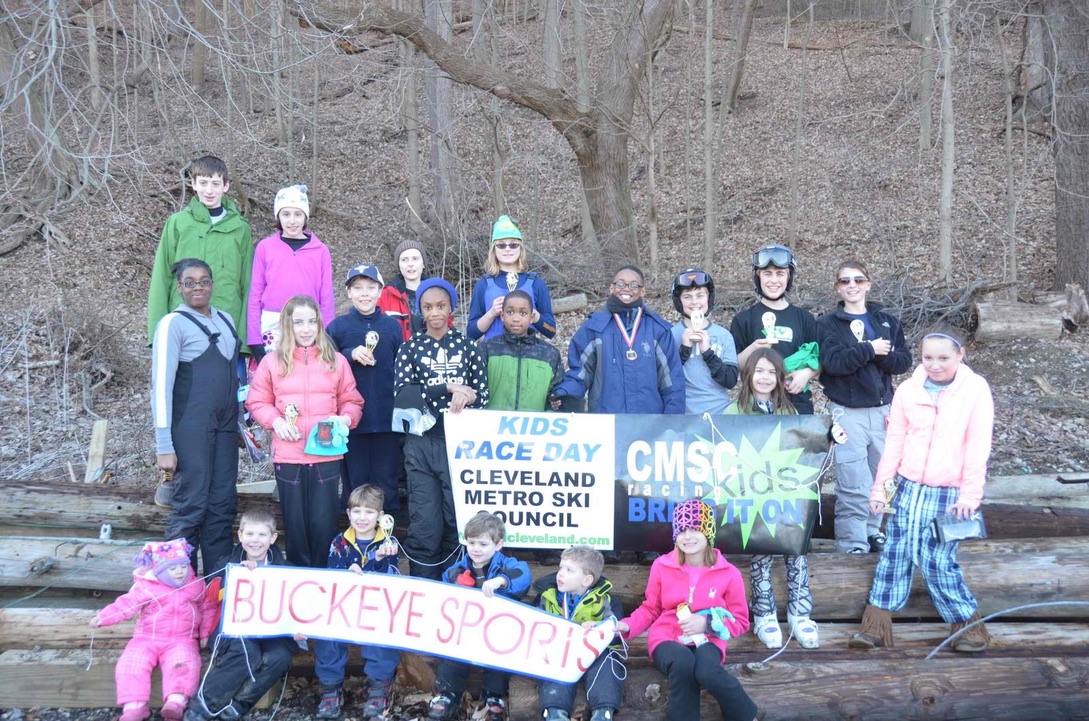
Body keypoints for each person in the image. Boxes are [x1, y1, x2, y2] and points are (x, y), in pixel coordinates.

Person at [850, 330, 994, 653]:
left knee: (937, 559)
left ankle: (969, 627)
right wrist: (881, 491)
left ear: (961, 354)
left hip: (948, 493)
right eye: (928, 357)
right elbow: (894, 444)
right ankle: (875, 627)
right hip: (907, 489)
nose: (935, 365)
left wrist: (970, 496)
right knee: (894, 554)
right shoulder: (908, 390)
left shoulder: (975, 390)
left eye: (943, 358)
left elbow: (977, 445)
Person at [552, 264, 684, 564]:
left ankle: (646, 544)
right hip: (606, 422)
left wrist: (673, 421)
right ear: (611, 288)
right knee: (609, 484)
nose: (627, 289)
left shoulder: (657, 329)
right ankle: (608, 541)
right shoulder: (594, 328)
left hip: (649, 423)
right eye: (620, 283)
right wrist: (562, 393)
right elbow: (579, 372)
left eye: (633, 284)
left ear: (643, 291)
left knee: (646, 485)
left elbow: (671, 382)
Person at [246, 295, 364, 567]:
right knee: (295, 528)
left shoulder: (336, 361)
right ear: (288, 325)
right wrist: (276, 422)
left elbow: (352, 401)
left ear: (320, 324)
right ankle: (298, 581)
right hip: (289, 458)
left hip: (327, 456)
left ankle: (325, 579)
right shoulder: (272, 362)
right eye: (298, 322)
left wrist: (346, 419)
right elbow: (257, 401)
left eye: (312, 322)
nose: (306, 329)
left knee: (324, 525)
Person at [616, 500, 757, 721]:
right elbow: (651, 608)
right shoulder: (662, 566)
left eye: (695, 529)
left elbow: (740, 621)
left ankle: (745, 716)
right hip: (667, 638)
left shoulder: (729, 573)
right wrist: (627, 625)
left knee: (707, 671)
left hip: (708, 640)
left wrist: (707, 624)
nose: (688, 536)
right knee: (683, 663)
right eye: (682, 530)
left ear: (708, 531)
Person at [394, 278, 489, 580]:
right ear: (420, 310)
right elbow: (402, 396)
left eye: (440, 306)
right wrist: (447, 387)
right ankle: (424, 587)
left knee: (456, 517)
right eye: (427, 307)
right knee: (425, 520)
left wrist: (469, 395)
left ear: (451, 308)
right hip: (421, 442)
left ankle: (455, 584)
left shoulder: (468, 347)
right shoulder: (409, 348)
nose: (434, 312)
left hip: (459, 444)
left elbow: (484, 395)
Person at [726, 349, 820, 649]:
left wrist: (830, 435)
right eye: (759, 371)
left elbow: (803, 444)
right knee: (762, 551)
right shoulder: (734, 411)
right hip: (752, 495)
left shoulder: (787, 410)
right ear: (748, 375)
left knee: (796, 547)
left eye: (771, 372)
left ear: (779, 377)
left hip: (785, 493)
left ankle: (800, 612)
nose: (765, 378)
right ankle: (764, 613)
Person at [817, 261, 912, 554]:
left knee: (882, 477)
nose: (852, 285)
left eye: (858, 280)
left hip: (884, 411)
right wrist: (869, 349)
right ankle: (852, 543)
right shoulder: (828, 324)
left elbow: (903, 362)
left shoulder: (886, 321)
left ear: (868, 284)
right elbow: (833, 364)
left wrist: (880, 355)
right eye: (845, 281)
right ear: (838, 288)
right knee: (853, 482)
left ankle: (873, 531)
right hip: (848, 412)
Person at [151, 258, 240, 571]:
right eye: (190, 282)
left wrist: (242, 424)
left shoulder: (226, 320)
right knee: (190, 505)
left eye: (204, 281)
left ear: (212, 285)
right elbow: (160, 387)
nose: (197, 287)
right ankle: (177, 589)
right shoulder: (172, 324)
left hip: (226, 427)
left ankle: (217, 585)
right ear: (180, 287)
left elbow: (234, 378)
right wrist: (164, 444)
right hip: (190, 427)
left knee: (222, 505)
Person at [185, 510, 297, 721]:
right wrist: (239, 577)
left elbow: (295, 605)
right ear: (240, 535)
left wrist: (297, 628)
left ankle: (236, 707)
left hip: (271, 633)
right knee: (248, 653)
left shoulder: (286, 569)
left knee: (280, 657)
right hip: (232, 630)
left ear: (273, 538)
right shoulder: (226, 564)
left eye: (262, 535)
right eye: (250, 534)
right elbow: (211, 596)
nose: (256, 540)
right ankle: (201, 708)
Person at [90, 539, 218, 721]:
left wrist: (205, 633)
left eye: (183, 566)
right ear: (160, 570)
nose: (179, 572)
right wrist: (104, 617)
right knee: (132, 664)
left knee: (184, 663)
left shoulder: (195, 585)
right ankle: (134, 706)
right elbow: (127, 604)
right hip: (146, 638)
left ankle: (176, 702)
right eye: (173, 568)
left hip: (182, 639)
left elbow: (207, 608)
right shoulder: (147, 586)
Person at [427, 512, 531, 721]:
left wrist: (501, 581)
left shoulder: (507, 565)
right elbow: (445, 586)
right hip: (467, 629)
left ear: (498, 544)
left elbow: (523, 575)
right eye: (471, 542)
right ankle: (448, 693)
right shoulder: (457, 569)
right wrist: (455, 585)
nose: (476, 549)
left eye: (483, 544)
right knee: (452, 648)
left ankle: (493, 695)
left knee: (500, 652)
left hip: (498, 629)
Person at [147, 155, 253, 349]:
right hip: (182, 324)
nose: (209, 190)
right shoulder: (178, 223)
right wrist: (157, 333)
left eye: (215, 184)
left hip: (227, 324)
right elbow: (161, 277)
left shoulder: (240, 228)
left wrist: (245, 341)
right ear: (194, 184)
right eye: (203, 183)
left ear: (226, 186)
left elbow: (247, 283)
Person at [314, 485, 402, 720]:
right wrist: (347, 573)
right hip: (344, 607)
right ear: (348, 513)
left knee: (381, 632)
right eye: (357, 511)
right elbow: (333, 577)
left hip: (376, 606)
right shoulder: (339, 543)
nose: (362, 518)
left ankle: (379, 688)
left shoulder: (389, 542)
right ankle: (330, 689)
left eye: (369, 512)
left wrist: (378, 559)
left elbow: (391, 578)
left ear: (380, 516)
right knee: (328, 635)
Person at [326, 264, 404, 511]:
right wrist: (349, 354)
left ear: (380, 291)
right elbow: (325, 366)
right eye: (358, 288)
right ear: (349, 292)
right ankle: (353, 527)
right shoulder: (337, 328)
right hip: (352, 420)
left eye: (371, 287)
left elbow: (401, 368)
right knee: (355, 480)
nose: (365, 294)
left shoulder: (392, 327)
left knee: (387, 480)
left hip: (386, 419)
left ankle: (389, 528)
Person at [532, 545, 625, 721]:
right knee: (552, 665)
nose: (560, 574)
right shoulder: (546, 596)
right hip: (559, 651)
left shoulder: (605, 600)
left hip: (594, 652)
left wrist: (598, 627)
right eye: (561, 568)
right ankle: (555, 713)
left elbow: (614, 628)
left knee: (607, 661)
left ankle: (603, 712)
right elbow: (534, 623)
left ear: (587, 580)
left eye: (569, 570)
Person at [246, 185, 334, 364]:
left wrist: (327, 334)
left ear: (305, 216)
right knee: (275, 375)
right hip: (273, 325)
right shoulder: (265, 247)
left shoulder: (320, 250)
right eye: (286, 214)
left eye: (298, 214)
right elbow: (255, 293)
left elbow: (326, 297)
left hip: (309, 326)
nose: (292, 220)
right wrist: (254, 338)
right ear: (278, 216)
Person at [730, 244, 819, 415]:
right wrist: (754, 348)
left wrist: (807, 374)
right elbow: (735, 366)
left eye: (780, 274)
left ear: (789, 277)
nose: (773, 280)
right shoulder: (743, 319)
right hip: (755, 406)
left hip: (796, 403)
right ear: (758, 277)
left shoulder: (804, 318)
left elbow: (819, 358)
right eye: (767, 274)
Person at [467, 215, 557, 341]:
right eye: (501, 245)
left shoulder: (536, 283)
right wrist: (492, 313)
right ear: (494, 250)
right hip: (493, 352)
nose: (508, 249)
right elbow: (471, 333)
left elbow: (551, 331)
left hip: (528, 351)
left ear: (521, 248)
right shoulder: (484, 285)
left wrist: (533, 313)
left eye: (513, 245)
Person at [479, 290, 564, 412]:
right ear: (502, 316)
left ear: (532, 317)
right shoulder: (487, 349)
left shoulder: (549, 354)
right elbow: (476, 390)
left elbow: (556, 395)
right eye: (510, 312)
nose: (516, 319)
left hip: (535, 423)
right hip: (493, 423)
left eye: (523, 313)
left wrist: (553, 405)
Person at [670, 268, 738, 414]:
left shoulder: (724, 335)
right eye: (687, 297)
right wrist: (683, 351)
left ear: (709, 298)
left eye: (700, 295)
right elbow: (665, 380)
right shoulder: (671, 335)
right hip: (682, 414)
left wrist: (708, 353)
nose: (694, 302)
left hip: (719, 412)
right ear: (679, 301)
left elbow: (730, 381)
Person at [378, 240, 451, 341]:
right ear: (399, 265)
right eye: (404, 260)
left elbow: (448, 325)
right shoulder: (385, 296)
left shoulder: (438, 293)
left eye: (415, 259)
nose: (410, 264)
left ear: (423, 264)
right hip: (400, 350)